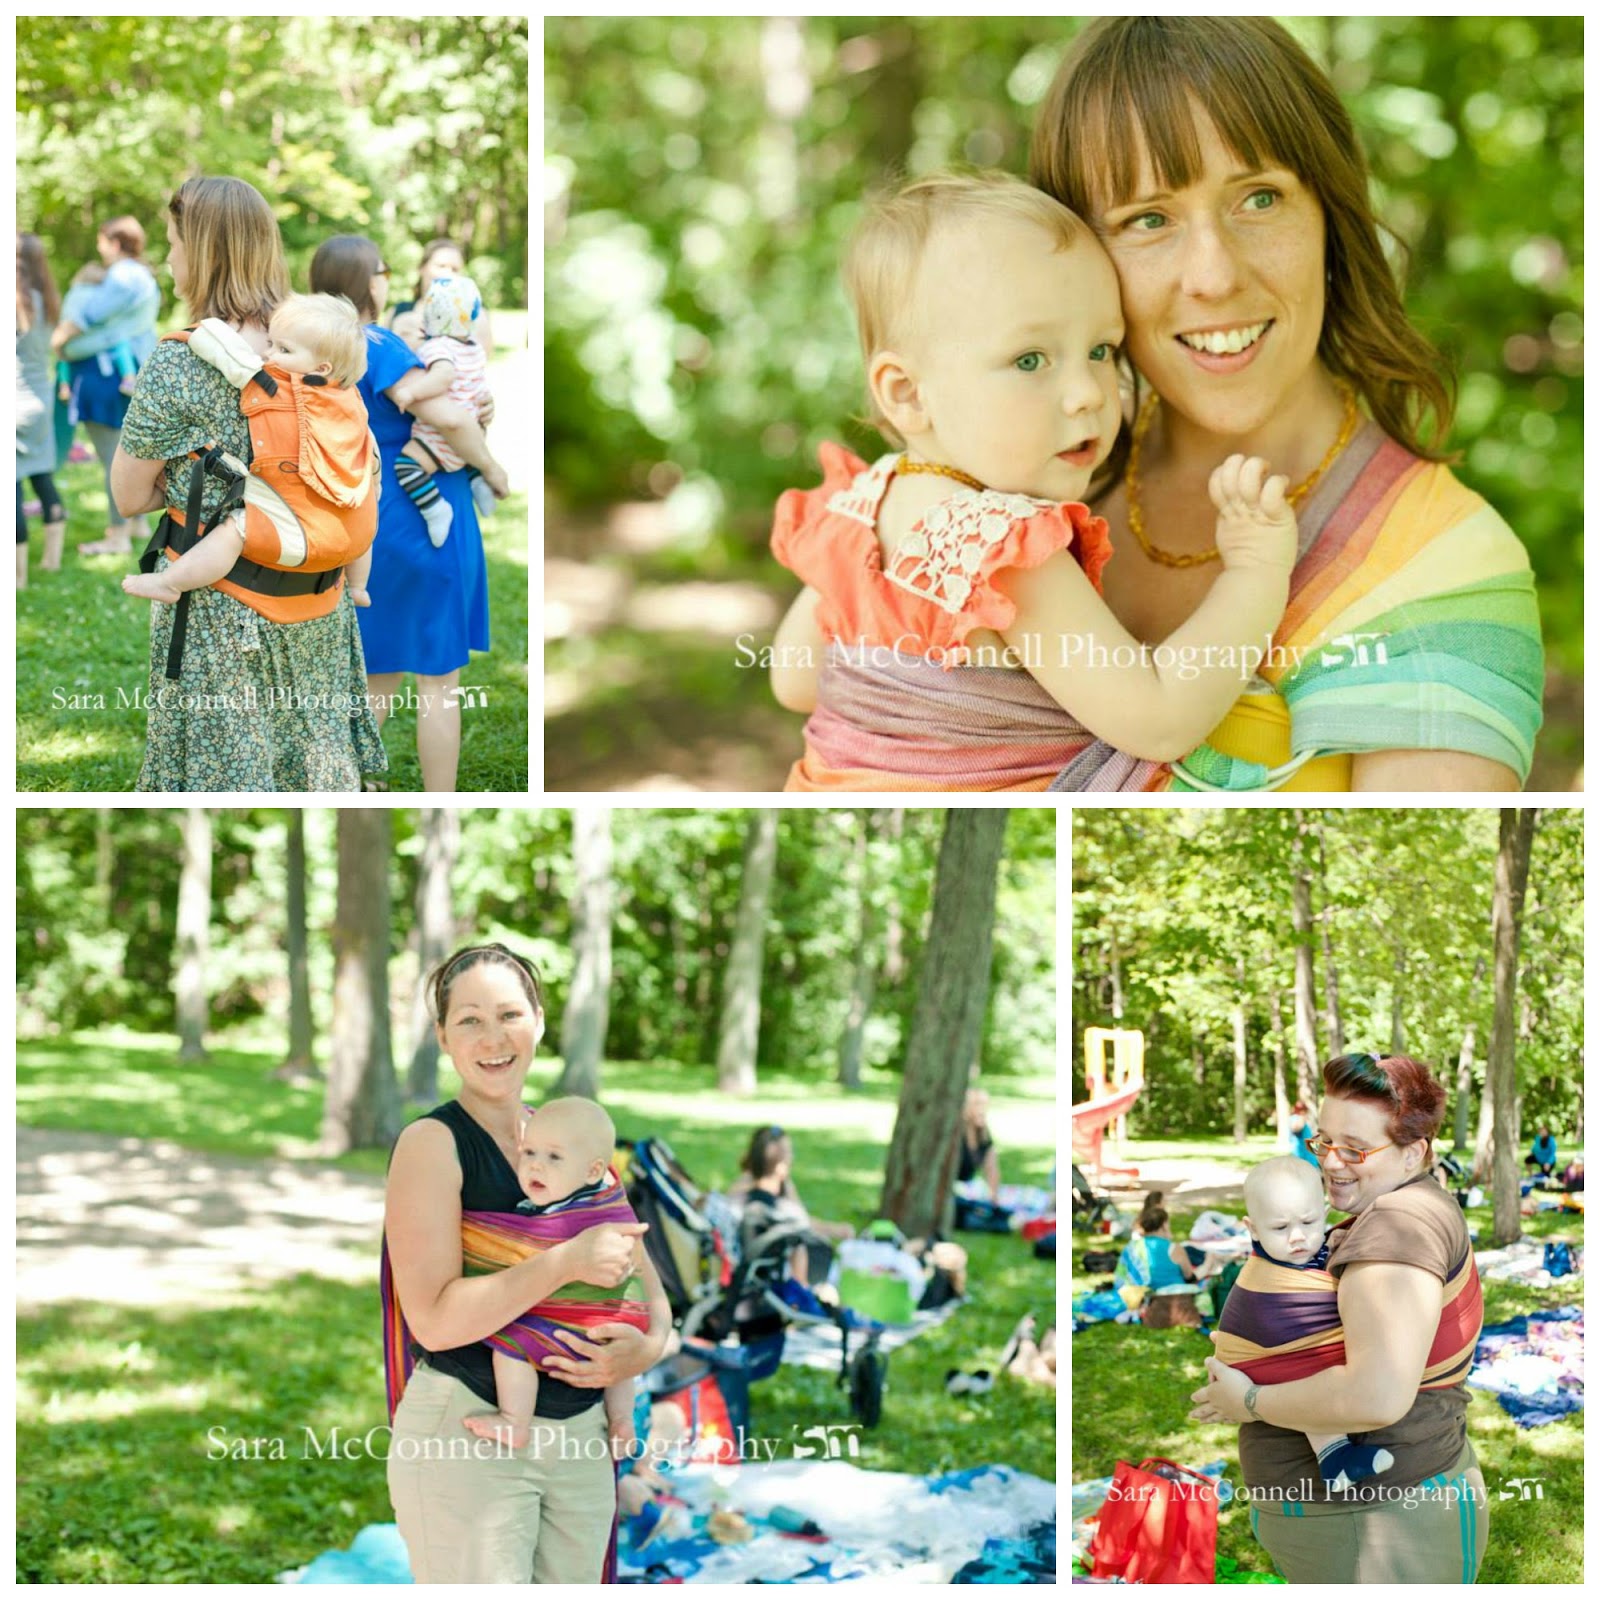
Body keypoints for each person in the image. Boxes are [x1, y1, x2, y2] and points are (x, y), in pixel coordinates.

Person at [1031, 17, 1544, 792]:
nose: (1213, 275)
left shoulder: (1445, 568)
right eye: (1148, 219)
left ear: (1331, 219)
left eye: (1260, 198)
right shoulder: (1020, 485)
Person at [769, 170, 1298, 792]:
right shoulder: (1002, 546)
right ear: (908, 393)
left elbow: (794, 681)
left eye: (1102, 350)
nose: (1086, 395)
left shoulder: (858, 509)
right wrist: (1255, 575)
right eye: (1030, 360)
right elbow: (1159, 721)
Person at [384, 944, 668, 1583]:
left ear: (539, 1021)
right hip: (471, 1424)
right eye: (470, 1020)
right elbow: (432, 1321)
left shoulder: (574, 1138)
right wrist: (566, 1258)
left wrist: (645, 1351)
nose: (493, 1038)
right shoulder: (433, 1144)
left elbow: (646, 1285)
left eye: (510, 1014)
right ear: (442, 1036)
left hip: (581, 1434)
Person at [110, 177, 386, 792]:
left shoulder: (184, 359)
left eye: (173, 242)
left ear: (202, 251)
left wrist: (190, 489)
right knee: (311, 763)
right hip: (321, 602)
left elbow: (129, 496)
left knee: (230, 770)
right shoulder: (316, 339)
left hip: (224, 617)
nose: (167, 258)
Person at [1189, 1053, 1488, 1583]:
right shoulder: (1411, 1204)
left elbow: (1374, 1397)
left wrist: (1249, 1401)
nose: (1330, 1162)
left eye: (1355, 1148)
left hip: (1372, 1523)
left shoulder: (1394, 1228)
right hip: (1371, 1513)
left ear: (1412, 1152)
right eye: (1324, 1141)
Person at [308, 234, 498, 792]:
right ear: (369, 280)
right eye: (383, 269)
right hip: (423, 507)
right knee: (440, 679)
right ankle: (441, 800)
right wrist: (492, 468)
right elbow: (453, 421)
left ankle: (349, 783)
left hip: (367, 506)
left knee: (379, 667)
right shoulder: (378, 342)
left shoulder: (315, 350)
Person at [121, 293, 378, 609]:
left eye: (283, 349)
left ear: (322, 367)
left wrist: (191, 336)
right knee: (365, 502)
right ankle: (360, 587)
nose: (269, 355)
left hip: (296, 539)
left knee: (235, 530)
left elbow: (223, 351)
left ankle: (171, 582)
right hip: (353, 539)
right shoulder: (349, 401)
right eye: (270, 344)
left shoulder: (275, 386)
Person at [460, 1096, 668, 1456]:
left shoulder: (575, 1213)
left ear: (592, 1171)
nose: (536, 1167)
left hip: (574, 1323)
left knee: (511, 1343)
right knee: (618, 1358)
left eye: (554, 1157)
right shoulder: (606, 1198)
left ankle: (514, 1421)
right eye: (529, 1153)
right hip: (613, 1324)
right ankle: (621, 1418)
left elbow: (522, 1256)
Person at [1216, 1155, 1394, 1492]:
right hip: (1258, 1358)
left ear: (1325, 1215)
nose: (1297, 1237)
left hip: (1262, 1358)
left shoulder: (1313, 1251)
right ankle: (1335, 1456)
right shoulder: (1271, 1276)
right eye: (1280, 1228)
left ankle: (1334, 1458)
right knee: (1311, 1371)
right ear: (1252, 1229)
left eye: (1309, 1223)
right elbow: (1322, 1309)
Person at [53, 215, 161, 557]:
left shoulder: (124, 275)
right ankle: (137, 524)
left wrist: (59, 343)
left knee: (114, 459)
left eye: (102, 241)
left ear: (114, 243)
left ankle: (116, 535)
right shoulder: (142, 275)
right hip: (124, 374)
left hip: (105, 377)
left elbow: (90, 315)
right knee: (129, 451)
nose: (100, 248)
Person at [390, 274, 507, 541]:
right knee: (464, 458)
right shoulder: (474, 348)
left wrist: (411, 391)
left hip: (440, 438)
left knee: (407, 466)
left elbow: (443, 376)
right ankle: (477, 481)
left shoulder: (437, 348)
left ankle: (434, 509)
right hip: (475, 431)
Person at [16, 233, 66, 585]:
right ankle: (52, 560)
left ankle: (17, 577)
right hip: (40, 398)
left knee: (13, 488)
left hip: (14, 401)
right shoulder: (48, 301)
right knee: (43, 479)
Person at [388, 236, 495, 354]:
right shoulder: (397, 312)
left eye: (455, 269)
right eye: (441, 266)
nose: (447, 273)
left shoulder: (475, 313)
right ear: (422, 268)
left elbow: (481, 357)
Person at [957, 1087, 1003, 1200]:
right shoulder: (956, 1134)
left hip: (965, 1189)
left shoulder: (983, 1134)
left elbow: (992, 1169)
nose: (982, 1110)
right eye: (977, 1105)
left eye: (985, 1105)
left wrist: (994, 1199)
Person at [1288, 1101, 1319, 1169]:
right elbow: (1296, 1128)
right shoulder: (1297, 1118)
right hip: (1302, 1154)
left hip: (1309, 1153)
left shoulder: (1299, 1119)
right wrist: (1303, 1118)